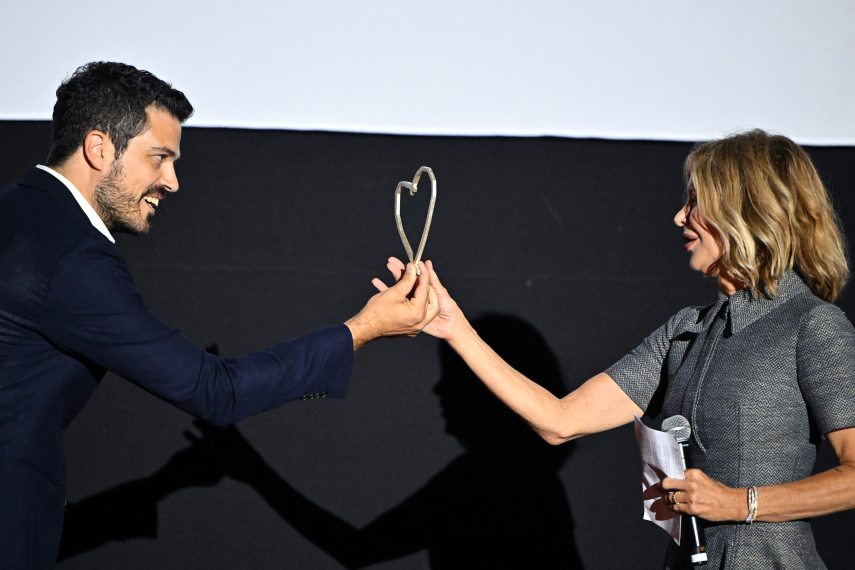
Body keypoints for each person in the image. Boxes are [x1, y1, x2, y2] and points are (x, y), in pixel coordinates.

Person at [0, 61, 435, 569]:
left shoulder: (15, 214)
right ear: (99, 148)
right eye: (158, 158)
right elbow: (216, 390)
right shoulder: (73, 258)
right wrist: (363, 329)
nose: (173, 181)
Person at [376, 130, 855, 568]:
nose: (679, 217)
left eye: (695, 202)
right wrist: (454, 326)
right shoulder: (685, 332)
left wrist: (740, 504)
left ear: (746, 210)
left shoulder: (811, 325)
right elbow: (559, 422)